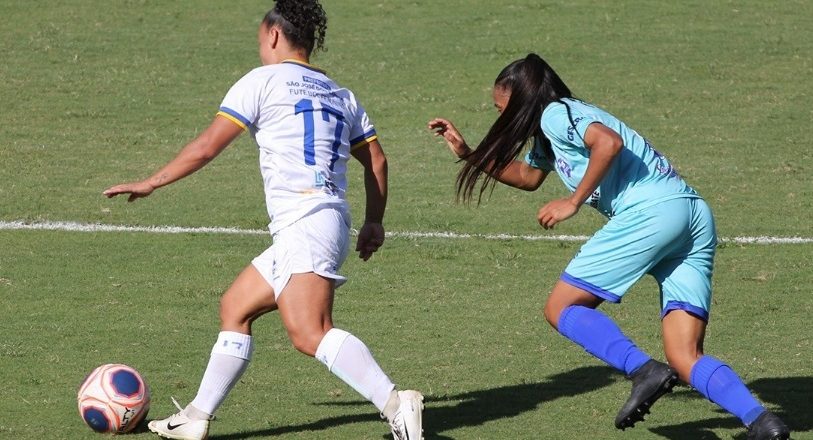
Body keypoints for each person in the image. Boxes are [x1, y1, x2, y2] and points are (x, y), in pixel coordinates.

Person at [103, 2, 423, 439]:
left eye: (259, 38)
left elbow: (206, 148)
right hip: (326, 220)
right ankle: (196, 416)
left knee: (310, 333)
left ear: (273, 34)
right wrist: (374, 222)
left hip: (304, 221)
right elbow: (378, 162)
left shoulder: (261, 82)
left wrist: (151, 183)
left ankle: (394, 402)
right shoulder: (340, 94)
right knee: (236, 306)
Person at [428, 53, 790, 440]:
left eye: (501, 107)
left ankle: (642, 369)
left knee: (560, 307)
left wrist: (573, 201)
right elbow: (529, 176)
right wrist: (470, 154)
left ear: (523, 98)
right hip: (691, 216)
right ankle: (762, 422)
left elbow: (608, 143)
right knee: (684, 356)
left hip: (651, 214)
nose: (500, 117)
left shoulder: (556, 113)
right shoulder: (549, 132)